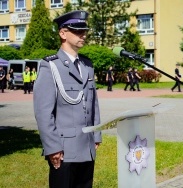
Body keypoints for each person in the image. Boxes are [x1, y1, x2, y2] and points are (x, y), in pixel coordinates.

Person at [33, 10, 101, 188]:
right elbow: (43, 113)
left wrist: (97, 134)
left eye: (84, 31)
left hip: (86, 147)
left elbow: (93, 103)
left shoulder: (87, 64)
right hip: (63, 150)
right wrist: (52, 147)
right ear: (63, 33)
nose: (83, 35)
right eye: (77, 31)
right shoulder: (50, 66)